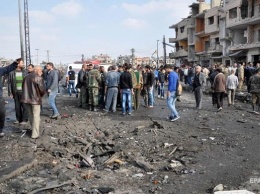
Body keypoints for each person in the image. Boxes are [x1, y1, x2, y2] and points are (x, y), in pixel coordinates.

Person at [21, 66, 46, 139]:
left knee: (31, 116)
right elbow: (42, 90)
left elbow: (23, 88)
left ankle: (34, 130)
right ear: (37, 70)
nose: (41, 72)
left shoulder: (26, 77)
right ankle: (35, 134)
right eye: (41, 70)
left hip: (26, 99)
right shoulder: (38, 78)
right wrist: (40, 95)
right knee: (36, 116)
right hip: (35, 100)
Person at [0, 58, 22, 137]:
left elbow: (8, 68)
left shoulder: (0, 70)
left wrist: (15, 63)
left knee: (1, 114)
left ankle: (0, 130)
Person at [8, 59, 28, 125]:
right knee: (17, 106)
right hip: (15, 92)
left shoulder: (25, 72)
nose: (23, 64)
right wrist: (10, 92)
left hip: (24, 92)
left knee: (24, 106)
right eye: (22, 63)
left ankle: (24, 120)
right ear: (18, 64)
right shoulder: (11, 73)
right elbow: (9, 83)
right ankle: (18, 119)